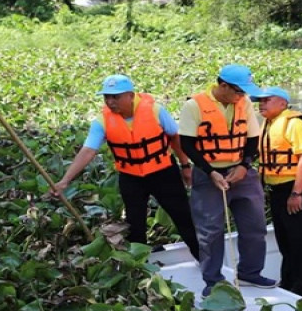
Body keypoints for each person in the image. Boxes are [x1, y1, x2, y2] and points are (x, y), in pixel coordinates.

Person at [53, 74, 199, 258]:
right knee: (135, 224)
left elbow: (175, 137)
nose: (110, 102)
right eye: (107, 97)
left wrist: (185, 166)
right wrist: (65, 181)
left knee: (183, 217)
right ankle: (140, 270)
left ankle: (205, 261)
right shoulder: (102, 121)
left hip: (163, 173)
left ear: (130, 95)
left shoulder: (155, 110)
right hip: (131, 177)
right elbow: (88, 150)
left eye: (116, 97)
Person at [178, 64, 278, 297]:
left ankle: (250, 272)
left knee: (254, 225)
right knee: (210, 230)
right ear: (223, 86)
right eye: (238, 91)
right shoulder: (194, 105)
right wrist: (210, 171)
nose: (242, 96)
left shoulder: (243, 104)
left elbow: (253, 140)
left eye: (244, 92)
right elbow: (187, 144)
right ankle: (213, 280)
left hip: (242, 173)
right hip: (208, 174)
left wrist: (245, 166)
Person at [254, 86, 302, 299]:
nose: (261, 104)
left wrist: (296, 193)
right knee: (285, 239)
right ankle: (289, 283)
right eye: (259, 101)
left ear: (282, 103)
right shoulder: (269, 123)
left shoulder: (294, 123)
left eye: (266, 100)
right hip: (278, 189)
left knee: (299, 241)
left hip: (295, 188)